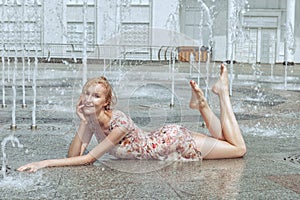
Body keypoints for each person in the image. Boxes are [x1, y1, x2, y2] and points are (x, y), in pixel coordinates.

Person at [18, 64, 246, 173]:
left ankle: (222, 93)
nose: (89, 99)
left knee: (237, 149)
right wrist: (84, 122)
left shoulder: (120, 124)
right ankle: (203, 105)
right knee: (226, 140)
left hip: (173, 142)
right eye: (86, 94)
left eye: (96, 96)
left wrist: (44, 163)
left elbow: (88, 159)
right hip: (163, 139)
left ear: (106, 102)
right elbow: (73, 156)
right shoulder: (93, 119)